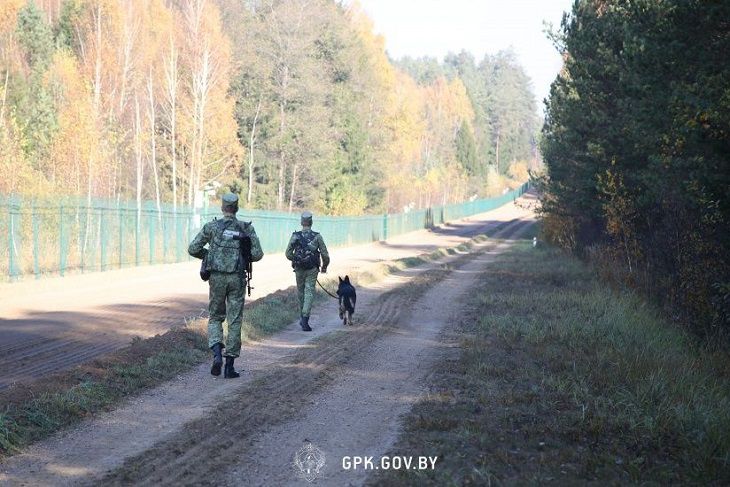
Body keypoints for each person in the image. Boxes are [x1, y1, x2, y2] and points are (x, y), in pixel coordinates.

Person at [188, 193, 263, 378]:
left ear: (223, 208)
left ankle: (216, 354)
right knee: (235, 320)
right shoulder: (245, 228)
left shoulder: (212, 227)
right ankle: (229, 366)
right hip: (237, 279)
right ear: (236, 208)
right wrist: (243, 257)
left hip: (216, 279)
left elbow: (193, 248)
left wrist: (210, 255)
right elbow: (258, 254)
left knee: (215, 317)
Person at [285, 211, 330, 331]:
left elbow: (287, 253)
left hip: (299, 268)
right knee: (309, 292)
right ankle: (305, 319)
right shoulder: (317, 236)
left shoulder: (295, 236)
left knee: (301, 293)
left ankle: (302, 317)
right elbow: (325, 254)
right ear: (311, 222)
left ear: (301, 222)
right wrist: (324, 267)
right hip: (312, 269)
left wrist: (296, 259)